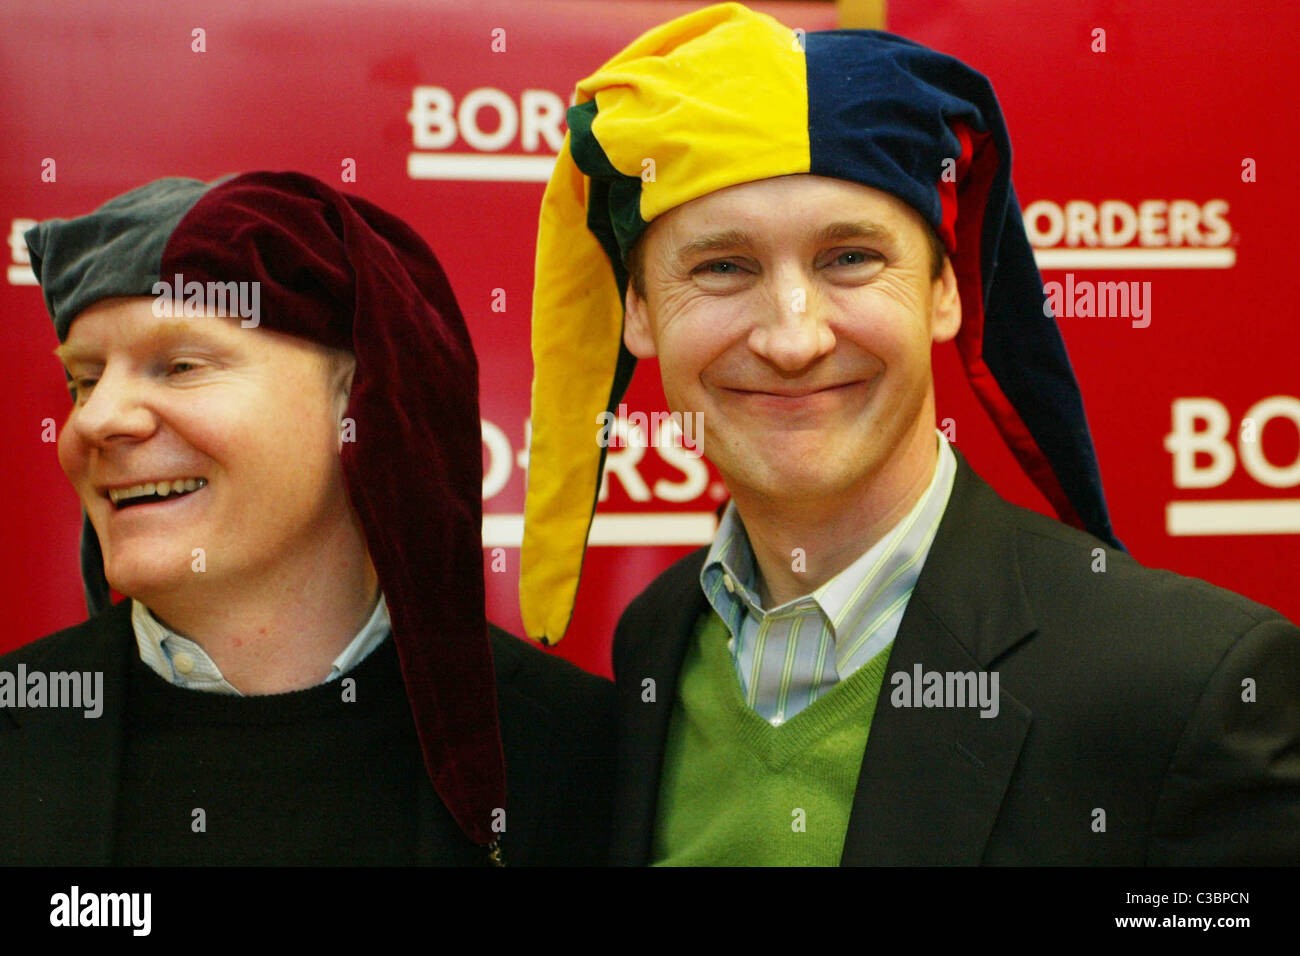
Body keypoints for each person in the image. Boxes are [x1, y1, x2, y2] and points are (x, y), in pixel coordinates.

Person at [517, 3, 1300, 865]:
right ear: (639, 312)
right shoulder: (654, 645)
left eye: (850, 258)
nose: (793, 337)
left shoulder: (1189, 686)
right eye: (723, 267)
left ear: (945, 290)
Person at [0, 171, 613, 866]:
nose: (98, 420)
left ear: (364, 410)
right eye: (84, 380)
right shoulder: (20, 718)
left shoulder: (573, 751)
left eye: (179, 366)